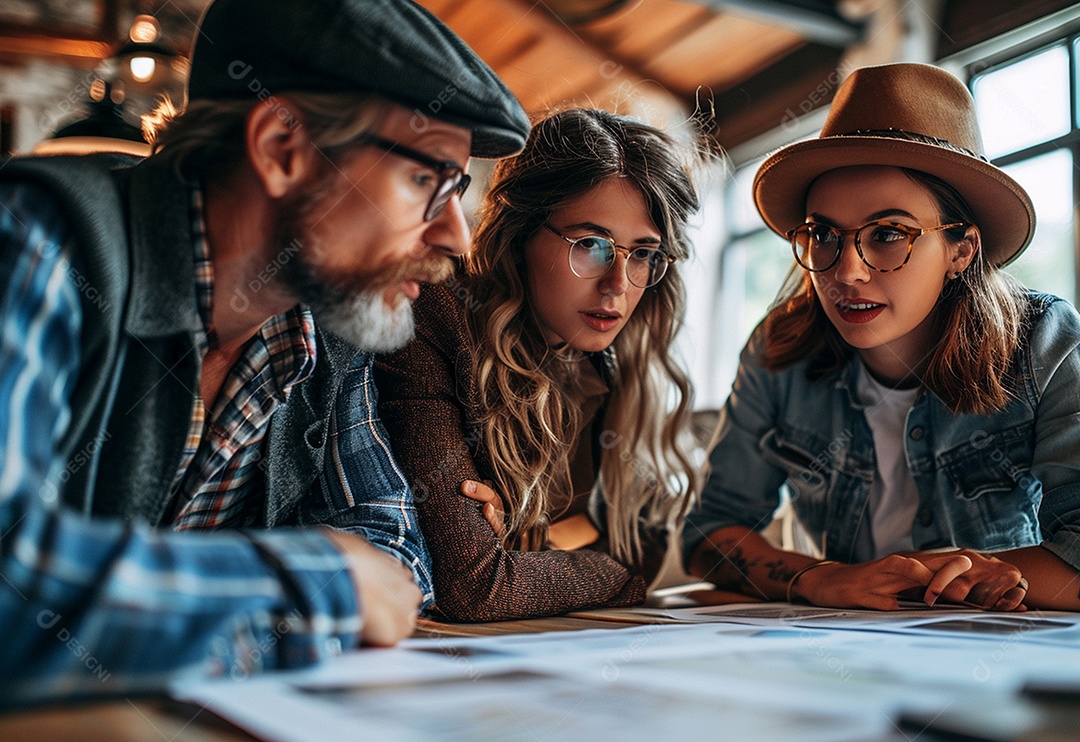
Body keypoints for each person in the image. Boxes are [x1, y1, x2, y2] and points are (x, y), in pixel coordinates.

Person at [0, 0, 529, 705]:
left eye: (459, 190)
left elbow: (394, 557)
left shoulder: (330, 327)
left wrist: (169, 618)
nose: (457, 238)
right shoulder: (35, 245)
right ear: (282, 146)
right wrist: (319, 583)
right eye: (427, 180)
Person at [685, 62, 1080, 613]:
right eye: (823, 234)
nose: (846, 271)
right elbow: (710, 536)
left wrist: (984, 573)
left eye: (889, 234)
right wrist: (820, 580)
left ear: (962, 250)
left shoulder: (1044, 344)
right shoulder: (780, 352)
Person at [372, 108, 704, 622]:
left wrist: (533, 544)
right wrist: (618, 577)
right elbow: (478, 587)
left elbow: (646, 544)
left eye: (642, 254)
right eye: (591, 244)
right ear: (519, 233)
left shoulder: (615, 361)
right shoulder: (434, 319)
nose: (618, 284)